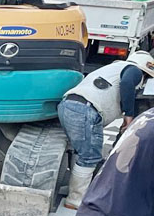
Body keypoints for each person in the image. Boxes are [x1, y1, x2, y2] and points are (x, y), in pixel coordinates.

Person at [57, 49, 154, 207]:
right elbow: (127, 83)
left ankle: (74, 188)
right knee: (90, 156)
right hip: (86, 109)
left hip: (68, 105)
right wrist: (128, 116)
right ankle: (75, 199)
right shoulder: (133, 70)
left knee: (82, 151)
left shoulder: (112, 69)